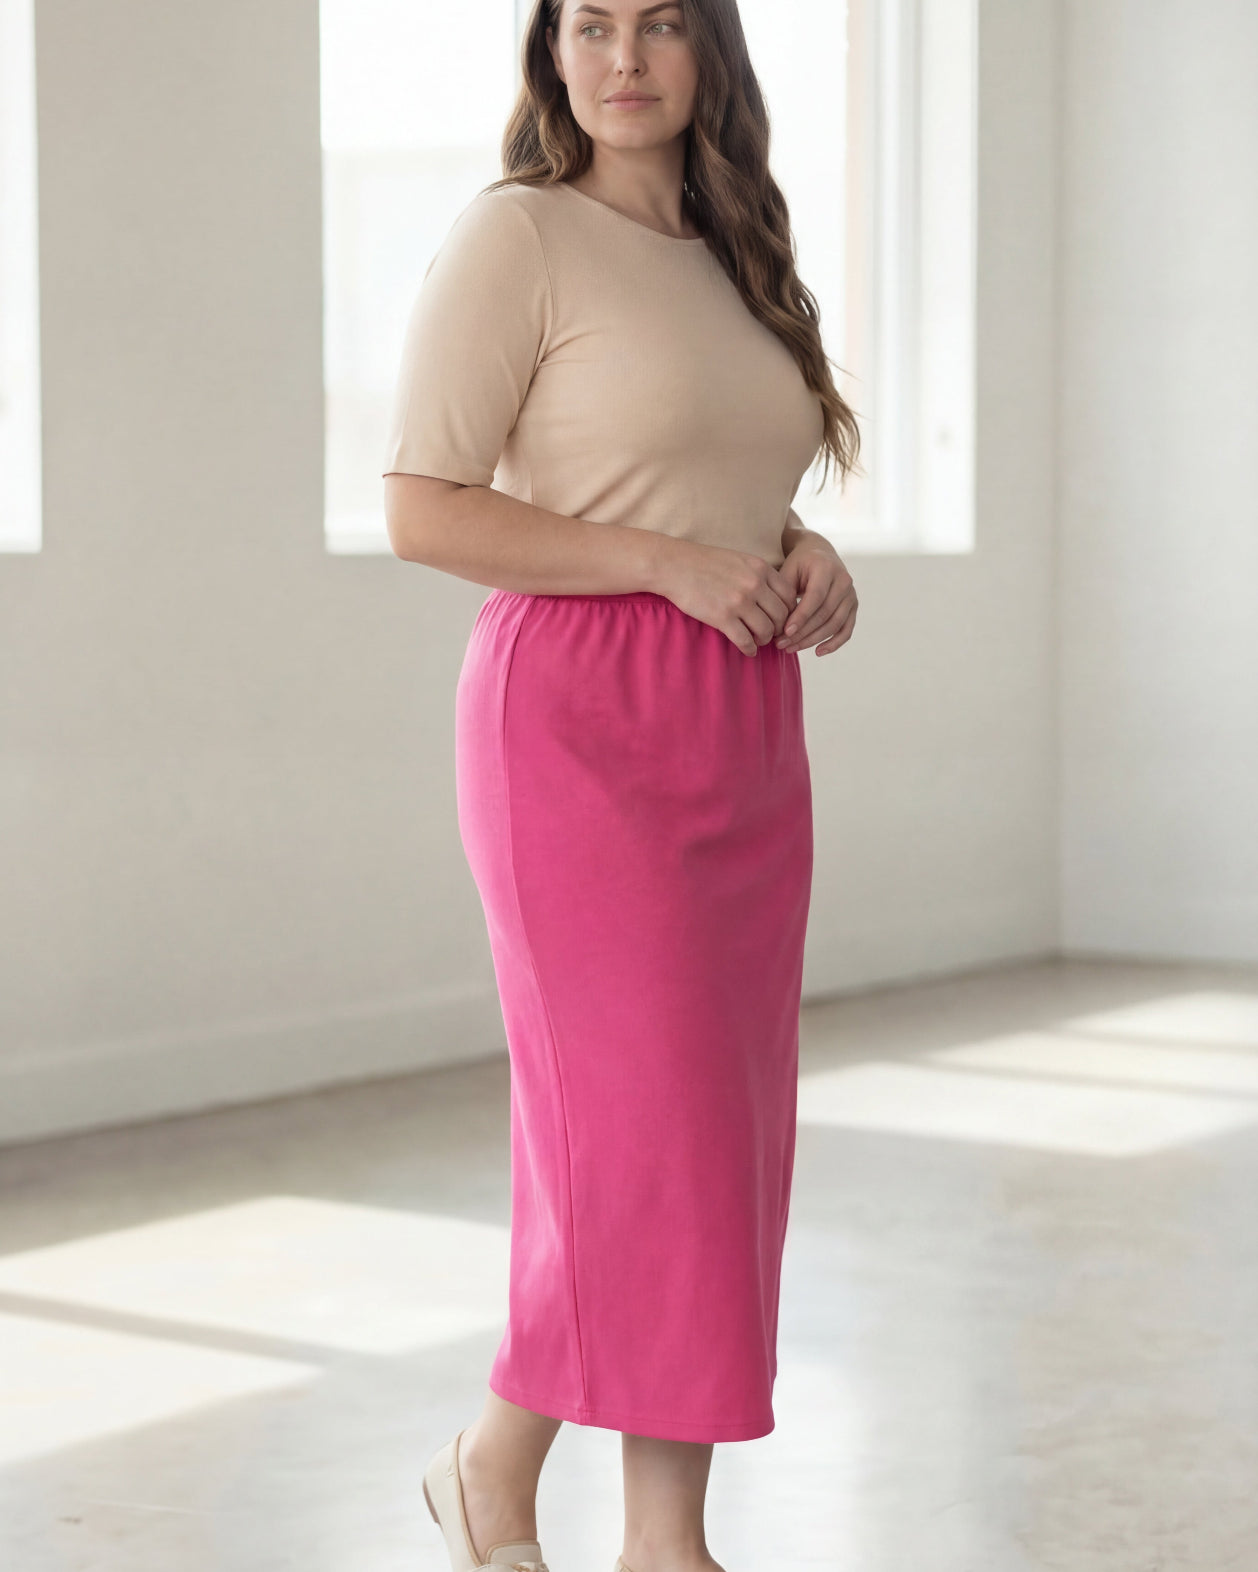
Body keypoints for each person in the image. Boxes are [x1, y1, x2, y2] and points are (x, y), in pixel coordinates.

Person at [382, 3, 861, 1569]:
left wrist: (804, 555)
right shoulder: (517, 239)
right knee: (634, 1132)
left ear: (708, 51)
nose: (624, 53)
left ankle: (649, 1531)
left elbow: (732, 484)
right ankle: (534, 1485)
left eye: (661, 21)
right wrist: (663, 565)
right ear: (552, 54)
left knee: (714, 1137)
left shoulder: (736, 254)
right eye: (589, 22)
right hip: (575, 722)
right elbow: (423, 509)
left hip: (740, 720)